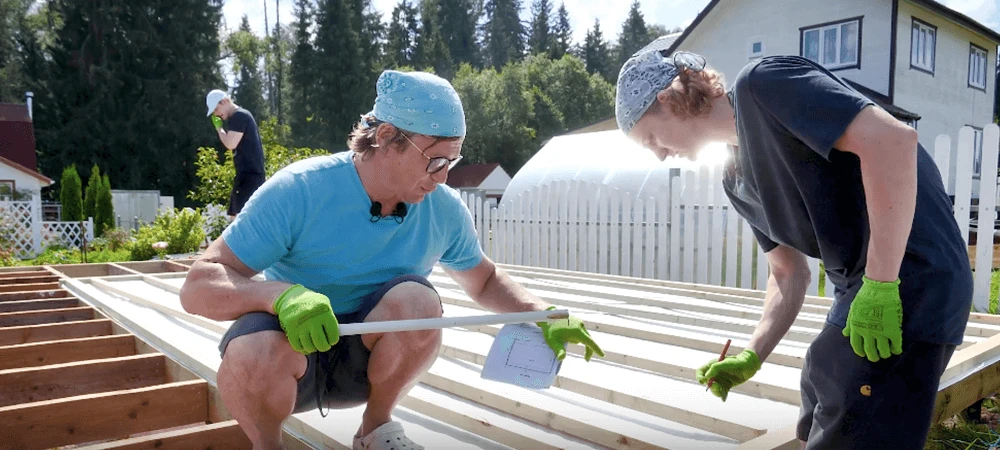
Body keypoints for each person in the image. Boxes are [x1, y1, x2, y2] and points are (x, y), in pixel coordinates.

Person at [181, 70, 605, 450]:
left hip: (365, 365)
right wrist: (280, 296)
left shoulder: (443, 209)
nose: (443, 176)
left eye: (451, 160)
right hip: (290, 359)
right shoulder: (301, 190)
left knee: (419, 304)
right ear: (385, 137)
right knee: (252, 348)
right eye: (434, 159)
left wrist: (540, 313)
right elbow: (198, 285)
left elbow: (484, 280)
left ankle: (374, 431)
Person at [615, 49, 972, 449]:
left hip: (912, 279)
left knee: (851, 424)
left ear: (668, 98)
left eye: (650, 139)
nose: (660, 155)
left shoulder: (764, 85)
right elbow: (787, 273)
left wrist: (882, 285)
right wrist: (752, 355)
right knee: (815, 404)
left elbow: (892, 141)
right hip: (860, 290)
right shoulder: (736, 179)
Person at [206, 89, 267, 219]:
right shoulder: (237, 117)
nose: (216, 114)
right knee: (234, 216)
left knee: (242, 219)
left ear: (223, 102)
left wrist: (219, 129)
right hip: (245, 174)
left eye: (216, 109)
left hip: (251, 176)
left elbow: (230, 144)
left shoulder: (240, 116)